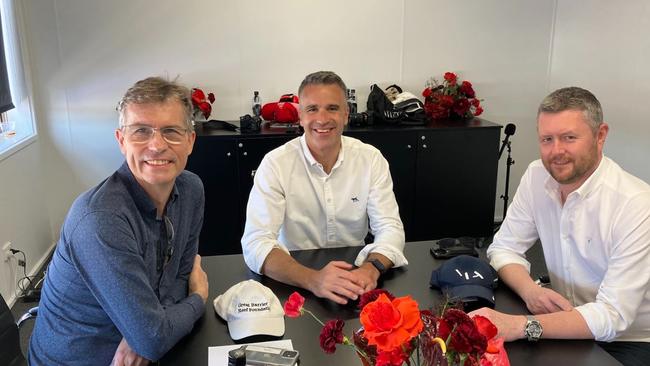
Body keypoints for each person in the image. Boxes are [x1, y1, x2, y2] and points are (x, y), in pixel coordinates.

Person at [29, 77, 209, 365]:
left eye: (171, 131)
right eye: (141, 131)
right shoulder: (100, 220)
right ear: (121, 141)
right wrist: (198, 298)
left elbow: (180, 275)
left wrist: (149, 329)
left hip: (145, 346)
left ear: (190, 141)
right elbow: (155, 335)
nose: (157, 145)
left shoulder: (191, 190)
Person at [471, 87, 650, 366]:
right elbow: (504, 247)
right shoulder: (536, 176)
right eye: (547, 139)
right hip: (561, 322)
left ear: (600, 135)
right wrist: (531, 291)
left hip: (627, 341)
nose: (557, 151)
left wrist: (521, 326)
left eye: (569, 138)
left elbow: (611, 317)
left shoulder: (636, 204)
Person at [241, 71, 406, 305]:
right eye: (312, 109)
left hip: (355, 278)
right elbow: (256, 242)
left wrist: (372, 269)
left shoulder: (371, 159)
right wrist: (313, 279)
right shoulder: (276, 164)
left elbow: (390, 227)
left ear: (346, 114)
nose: (322, 118)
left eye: (332, 108)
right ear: (300, 117)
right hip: (292, 280)